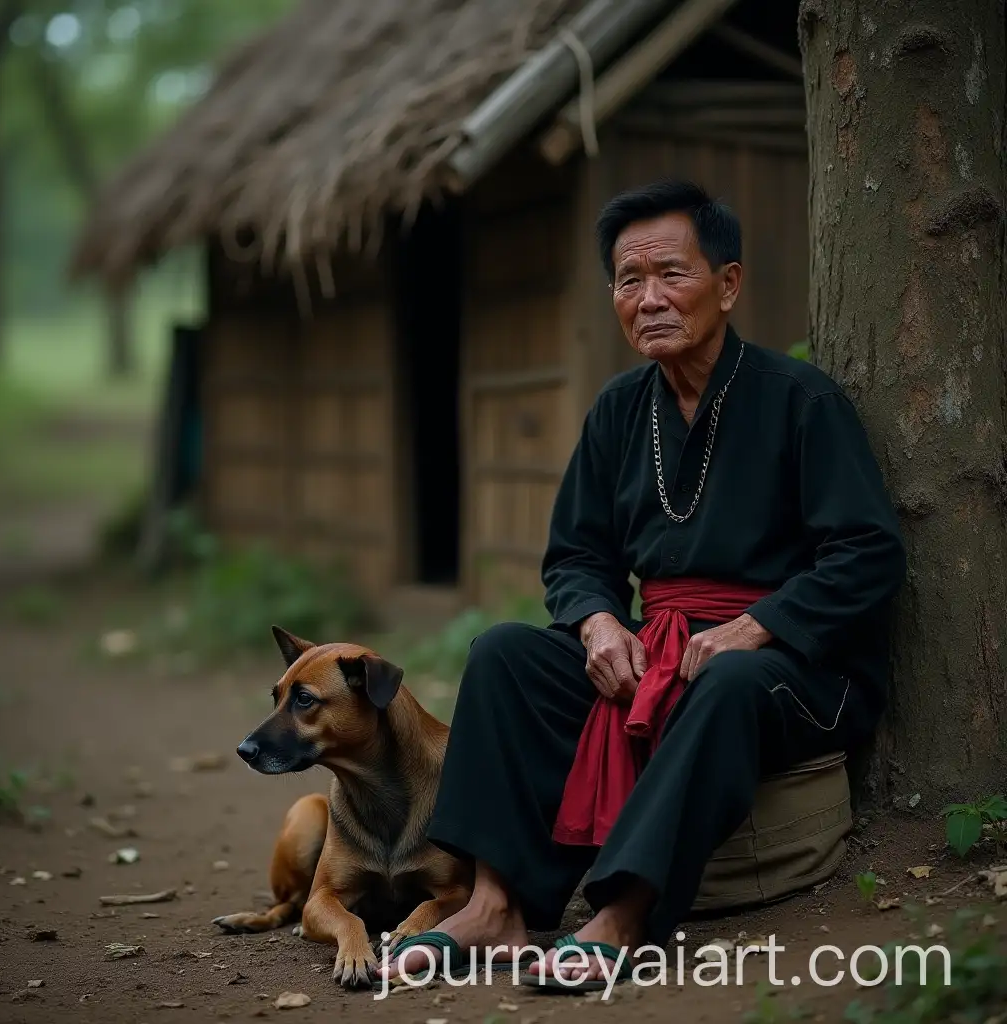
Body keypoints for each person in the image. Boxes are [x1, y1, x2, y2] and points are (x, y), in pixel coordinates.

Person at [377, 179, 907, 991]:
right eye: (629, 279)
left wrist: (757, 626)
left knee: (727, 680)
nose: (649, 298)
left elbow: (868, 553)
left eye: (672, 274)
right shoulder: (619, 410)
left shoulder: (802, 402)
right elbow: (577, 557)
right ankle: (496, 902)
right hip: (660, 649)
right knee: (504, 656)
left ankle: (622, 915)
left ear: (727, 285)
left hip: (793, 669)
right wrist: (597, 624)